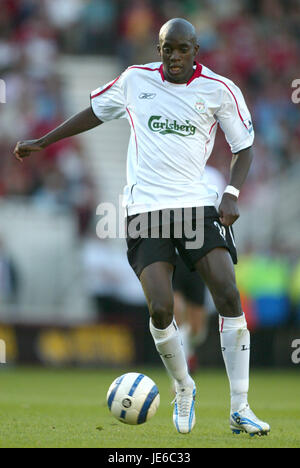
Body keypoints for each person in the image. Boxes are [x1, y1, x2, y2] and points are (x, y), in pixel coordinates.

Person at [13, 18, 270, 436]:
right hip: (146, 210)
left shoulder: (220, 90)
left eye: (182, 49)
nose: (173, 56)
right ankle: (183, 388)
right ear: (159, 49)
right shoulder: (135, 80)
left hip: (195, 206)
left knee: (226, 291)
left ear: (195, 51)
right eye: (167, 48)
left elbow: (243, 148)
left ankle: (240, 408)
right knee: (161, 308)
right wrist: (45, 141)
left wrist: (233, 194)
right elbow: (94, 112)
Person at [173, 165, 226, 373]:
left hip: (198, 256)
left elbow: (219, 211)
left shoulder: (213, 176)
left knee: (197, 328)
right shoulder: (170, 170)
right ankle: (181, 371)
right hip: (173, 254)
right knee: (176, 310)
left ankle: (189, 349)